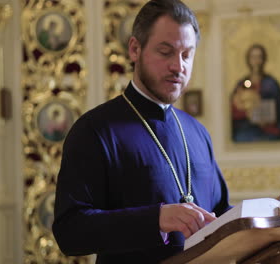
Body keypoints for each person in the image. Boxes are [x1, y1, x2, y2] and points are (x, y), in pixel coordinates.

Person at [52, 0, 231, 263]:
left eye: (186, 55)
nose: (178, 66)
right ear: (135, 49)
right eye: (165, 52)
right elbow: (70, 231)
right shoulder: (95, 130)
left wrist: (267, 220)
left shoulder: (197, 132)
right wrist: (156, 219)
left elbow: (220, 213)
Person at [231, 44, 280, 142]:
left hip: (270, 128)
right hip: (247, 128)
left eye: (259, 57)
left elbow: (279, 106)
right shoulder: (242, 83)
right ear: (248, 60)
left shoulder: (271, 83)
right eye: (253, 57)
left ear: (264, 59)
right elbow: (234, 106)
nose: (256, 61)